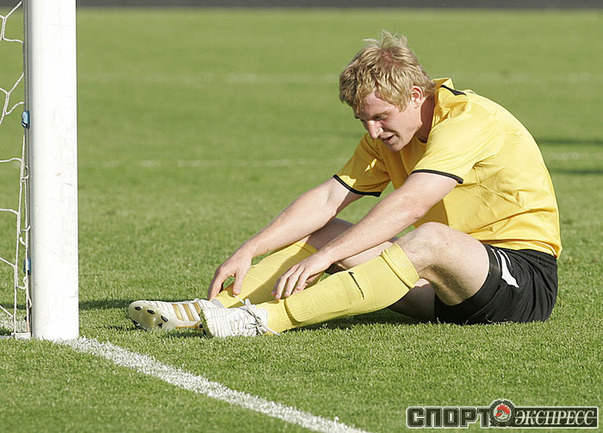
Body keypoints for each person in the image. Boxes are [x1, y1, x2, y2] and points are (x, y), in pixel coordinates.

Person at [128, 31, 561, 337]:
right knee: (322, 231)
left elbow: (411, 204)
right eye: (363, 120)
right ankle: (207, 310)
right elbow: (328, 199)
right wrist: (251, 248)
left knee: (430, 238)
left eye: (380, 117)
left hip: (521, 282)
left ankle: (262, 321)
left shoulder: (469, 121)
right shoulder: (386, 138)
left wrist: (328, 258)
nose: (372, 131)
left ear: (416, 95)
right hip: (443, 293)